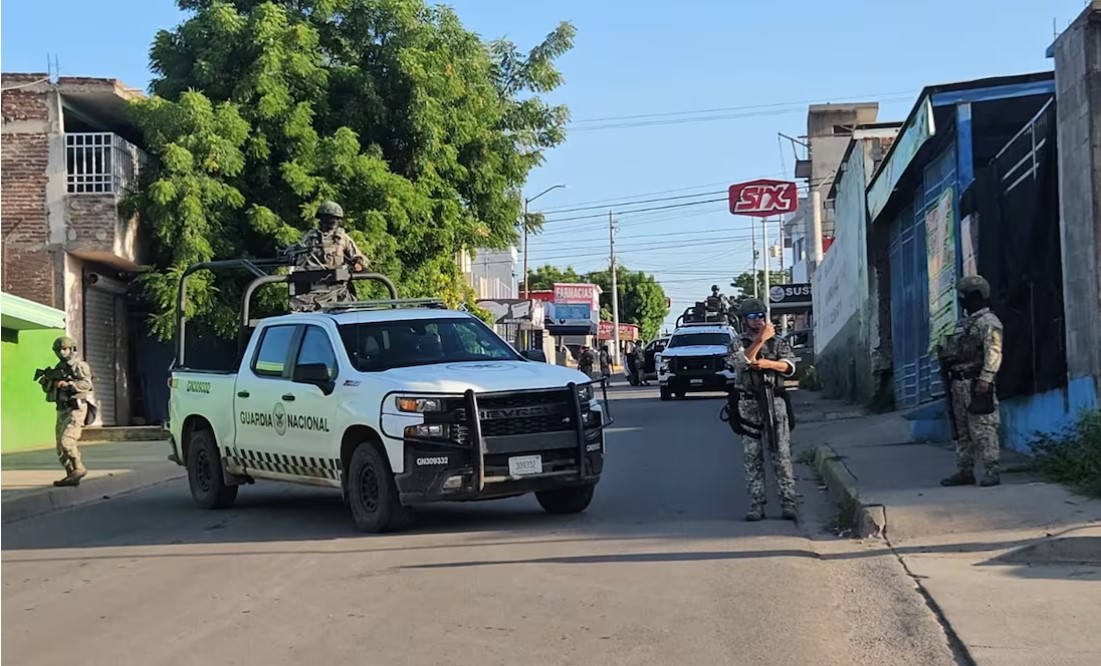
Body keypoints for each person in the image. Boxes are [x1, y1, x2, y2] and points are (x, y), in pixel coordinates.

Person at [725, 298, 798, 521]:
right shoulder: (738, 342)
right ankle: (757, 504)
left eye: (760, 316)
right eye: (753, 317)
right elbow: (739, 361)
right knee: (752, 457)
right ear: (743, 320)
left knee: (781, 454)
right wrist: (759, 340)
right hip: (748, 404)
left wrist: (768, 364)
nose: (758, 321)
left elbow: (789, 366)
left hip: (774, 401)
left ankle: (788, 502)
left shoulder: (777, 342)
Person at [937, 275, 1004, 487]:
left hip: (977, 383)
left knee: (983, 427)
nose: (961, 301)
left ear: (974, 296)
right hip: (958, 383)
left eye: (964, 296)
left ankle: (992, 469)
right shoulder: (964, 324)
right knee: (962, 430)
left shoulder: (989, 323)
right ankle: (965, 470)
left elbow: (994, 351)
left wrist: (986, 378)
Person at [287, 201, 369, 310]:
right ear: (321, 219)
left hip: (336, 289)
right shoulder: (310, 238)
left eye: (335, 218)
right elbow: (298, 258)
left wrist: (358, 263)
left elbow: (359, 257)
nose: (332, 222)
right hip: (312, 289)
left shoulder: (342, 238)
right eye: (329, 218)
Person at [36, 337, 96, 487]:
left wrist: (69, 384)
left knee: (67, 442)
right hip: (62, 409)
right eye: (58, 350)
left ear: (71, 349)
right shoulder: (58, 368)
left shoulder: (79, 366)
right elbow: (51, 389)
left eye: (64, 349)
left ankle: (79, 468)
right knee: (59, 447)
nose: (61, 352)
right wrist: (47, 383)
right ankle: (71, 474)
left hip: (76, 409)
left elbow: (87, 384)